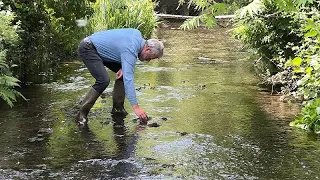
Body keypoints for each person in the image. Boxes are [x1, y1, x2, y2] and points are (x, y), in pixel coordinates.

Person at [76, 28, 164, 125]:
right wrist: (136, 107)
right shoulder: (131, 50)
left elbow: (121, 46)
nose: (148, 60)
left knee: (123, 73)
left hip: (101, 51)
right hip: (88, 48)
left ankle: (118, 109)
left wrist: (124, 65)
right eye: (150, 57)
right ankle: (81, 115)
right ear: (147, 49)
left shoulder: (137, 34)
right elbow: (128, 80)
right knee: (103, 80)